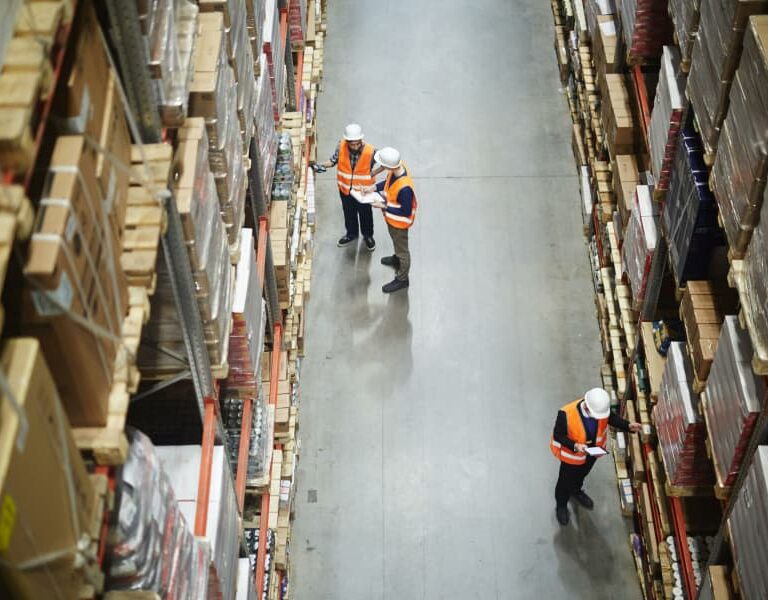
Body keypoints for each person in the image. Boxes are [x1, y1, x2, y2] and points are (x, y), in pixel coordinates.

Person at [550, 387, 642, 525]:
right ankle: (561, 506)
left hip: (591, 454)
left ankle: (576, 491)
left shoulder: (599, 409)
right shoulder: (566, 414)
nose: (600, 418)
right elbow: (558, 435)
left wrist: (628, 426)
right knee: (564, 483)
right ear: (587, 406)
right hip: (572, 458)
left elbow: (611, 418)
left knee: (581, 475)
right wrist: (575, 445)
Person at [356, 147, 417, 293]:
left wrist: (383, 205)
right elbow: (388, 183)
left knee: (403, 251)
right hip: (392, 221)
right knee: (396, 244)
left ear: (389, 166)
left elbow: (405, 211)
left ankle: (402, 279)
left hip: (399, 224)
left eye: (382, 165)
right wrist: (373, 188)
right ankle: (396, 259)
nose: (380, 167)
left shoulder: (405, 189)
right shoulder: (397, 169)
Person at [311, 123, 380, 250]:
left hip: (363, 192)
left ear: (361, 140)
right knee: (349, 213)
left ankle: (368, 236)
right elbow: (333, 161)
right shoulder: (341, 146)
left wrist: (375, 172)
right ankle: (351, 234)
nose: (354, 147)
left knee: (365, 215)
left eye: (357, 143)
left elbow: (384, 162)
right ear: (347, 141)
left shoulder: (371, 151)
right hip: (345, 189)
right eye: (352, 144)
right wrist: (320, 166)